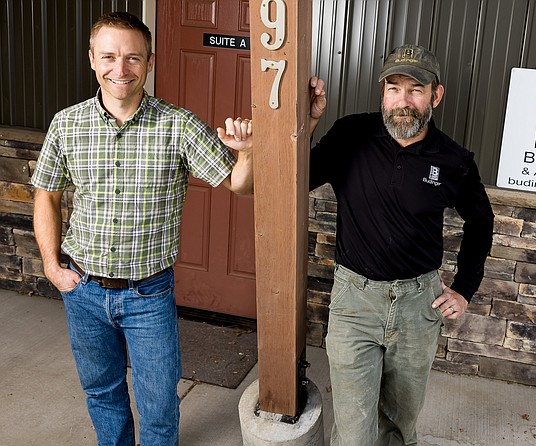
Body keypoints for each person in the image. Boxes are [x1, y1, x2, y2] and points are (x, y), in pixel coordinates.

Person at [31, 11, 253, 446]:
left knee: (158, 401)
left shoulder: (179, 125)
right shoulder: (66, 124)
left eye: (133, 58)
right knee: (102, 390)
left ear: (150, 62)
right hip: (84, 288)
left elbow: (239, 187)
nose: (121, 69)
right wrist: (52, 266)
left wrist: (246, 153)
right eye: (109, 57)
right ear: (92, 59)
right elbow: (47, 194)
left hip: (148, 294)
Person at [308, 44, 494, 445]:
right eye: (394, 88)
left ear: (436, 96)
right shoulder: (350, 135)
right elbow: (296, 178)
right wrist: (307, 123)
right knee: (355, 430)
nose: (403, 101)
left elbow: (481, 221)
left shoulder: (453, 160)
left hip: (416, 306)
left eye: (416, 90)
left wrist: (464, 289)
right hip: (355, 301)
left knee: (398, 424)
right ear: (382, 92)